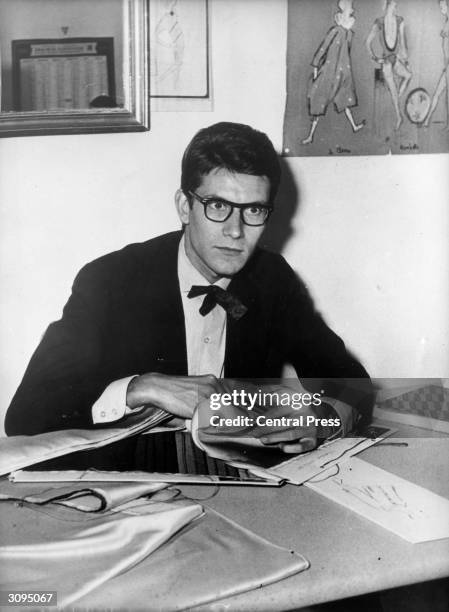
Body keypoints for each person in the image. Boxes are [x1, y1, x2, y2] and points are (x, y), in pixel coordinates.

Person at [5, 122, 372, 470]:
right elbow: (27, 411)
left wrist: (320, 420)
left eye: (254, 210)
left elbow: (350, 383)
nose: (235, 231)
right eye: (217, 206)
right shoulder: (111, 280)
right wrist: (141, 387)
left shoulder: (272, 279)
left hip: (239, 479)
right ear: (184, 206)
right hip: (134, 478)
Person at [302, 0, 365, 145]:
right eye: (350, 10)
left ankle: (354, 126)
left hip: (342, 72)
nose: (353, 12)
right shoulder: (335, 31)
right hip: (329, 72)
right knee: (318, 101)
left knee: (345, 100)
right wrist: (316, 68)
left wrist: (346, 70)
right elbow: (323, 49)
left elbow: (346, 53)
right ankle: (311, 135)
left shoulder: (348, 34)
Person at [366, 0, 412, 131]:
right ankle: (399, 117)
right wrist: (375, 58)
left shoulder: (400, 20)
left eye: (396, 5)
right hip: (386, 61)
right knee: (392, 90)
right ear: (387, 5)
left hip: (396, 59)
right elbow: (368, 42)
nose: (396, 7)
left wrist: (406, 62)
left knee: (408, 75)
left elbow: (403, 44)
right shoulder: (379, 22)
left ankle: (396, 99)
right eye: (393, 5)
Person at [424, 0, 449, 129]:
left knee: (446, 96)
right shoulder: (446, 22)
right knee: (439, 94)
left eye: (442, 6)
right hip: (447, 66)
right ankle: (427, 120)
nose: (441, 9)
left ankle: (428, 120)